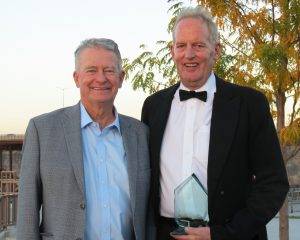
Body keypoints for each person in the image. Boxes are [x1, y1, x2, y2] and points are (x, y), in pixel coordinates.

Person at [141, 6, 289, 240]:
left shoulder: (249, 104)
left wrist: (223, 234)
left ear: (216, 51)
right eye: (181, 46)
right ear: (173, 51)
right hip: (165, 234)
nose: (189, 54)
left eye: (198, 45)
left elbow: (273, 183)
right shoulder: (153, 106)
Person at [17, 38, 154, 240]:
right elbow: (27, 214)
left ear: (121, 77)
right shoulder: (42, 130)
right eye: (91, 70)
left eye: (109, 70)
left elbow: (148, 211)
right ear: (76, 78)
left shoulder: (141, 134)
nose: (101, 78)